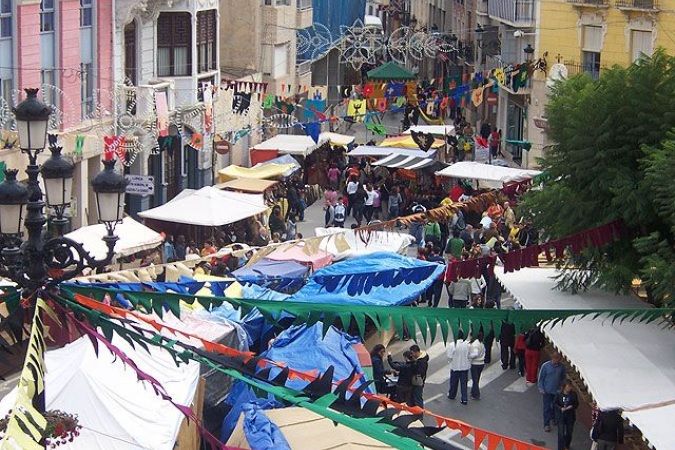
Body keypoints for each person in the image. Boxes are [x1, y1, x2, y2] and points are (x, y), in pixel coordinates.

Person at [538, 352, 566, 432]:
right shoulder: (545, 366)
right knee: (547, 407)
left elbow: (563, 378)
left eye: (558, 359)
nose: (556, 361)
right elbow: (541, 378)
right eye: (555, 359)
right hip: (547, 391)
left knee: (555, 406)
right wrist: (541, 388)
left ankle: (553, 418)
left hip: (556, 392)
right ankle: (546, 424)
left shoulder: (562, 367)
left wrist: (561, 387)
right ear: (552, 358)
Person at [447, 331, 471, 404]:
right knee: (464, 384)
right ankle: (464, 398)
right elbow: (470, 354)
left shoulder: (452, 345)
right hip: (465, 367)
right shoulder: (467, 344)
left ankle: (452, 395)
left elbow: (449, 356)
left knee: (453, 383)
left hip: (455, 367)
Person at [555, 380, 579, 450]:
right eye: (568, 387)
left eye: (570, 387)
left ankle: (566, 445)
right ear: (564, 387)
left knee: (569, 433)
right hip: (561, 416)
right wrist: (560, 408)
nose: (570, 388)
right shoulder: (559, 394)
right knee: (561, 433)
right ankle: (560, 448)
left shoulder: (573, 394)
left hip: (570, 416)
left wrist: (571, 406)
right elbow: (555, 403)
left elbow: (576, 404)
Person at [469, 330, 486, 400]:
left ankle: (476, 394)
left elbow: (475, 354)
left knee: (475, 380)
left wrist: (469, 356)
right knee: (477, 379)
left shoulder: (475, 344)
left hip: (475, 364)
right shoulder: (481, 343)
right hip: (481, 363)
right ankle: (473, 392)